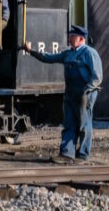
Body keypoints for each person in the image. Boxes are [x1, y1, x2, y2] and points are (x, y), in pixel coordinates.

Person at [23, 25, 103, 163]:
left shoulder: (89, 53)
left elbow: (97, 76)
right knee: (69, 123)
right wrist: (31, 52)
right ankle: (67, 154)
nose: (69, 38)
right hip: (70, 94)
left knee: (84, 125)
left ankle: (83, 155)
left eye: (72, 36)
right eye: (70, 35)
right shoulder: (68, 54)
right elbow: (49, 58)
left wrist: (87, 91)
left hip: (85, 94)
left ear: (81, 38)